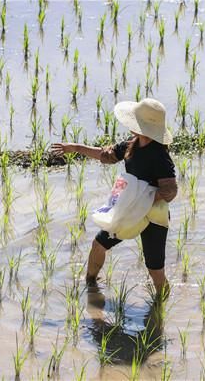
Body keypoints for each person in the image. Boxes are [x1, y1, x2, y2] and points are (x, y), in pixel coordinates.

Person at [51, 98, 177, 298]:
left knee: (155, 270)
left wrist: (142, 199)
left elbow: (170, 191)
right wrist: (75, 148)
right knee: (99, 244)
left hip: (153, 216)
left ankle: (161, 308)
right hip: (130, 209)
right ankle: (90, 285)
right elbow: (105, 156)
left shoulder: (159, 156)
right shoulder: (131, 145)